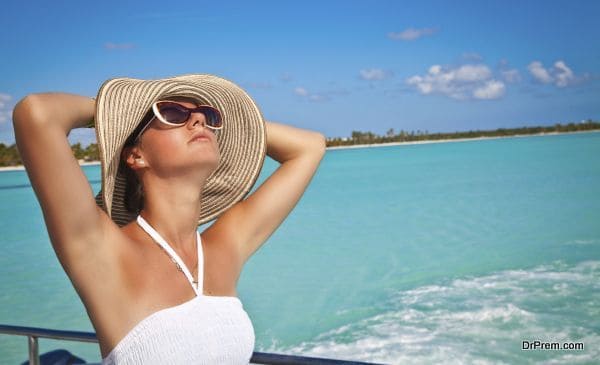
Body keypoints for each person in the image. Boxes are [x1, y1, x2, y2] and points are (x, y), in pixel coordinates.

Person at [12, 74, 326, 364]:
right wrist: (121, 113)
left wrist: (232, 122)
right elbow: (37, 113)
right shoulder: (104, 250)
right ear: (136, 155)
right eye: (173, 113)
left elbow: (310, 147)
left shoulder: (222, 247)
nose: (199, 118)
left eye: (209, 116)